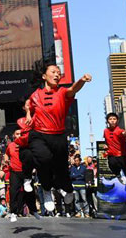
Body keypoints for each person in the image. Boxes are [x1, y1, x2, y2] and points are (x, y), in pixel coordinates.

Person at [19, 64, 92, 213]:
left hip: (58, 136)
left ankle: (67, 190)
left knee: (61, 169)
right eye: (53, 72)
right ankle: (46, 191)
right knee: (43, 160)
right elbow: (29, 107)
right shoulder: (35, 95)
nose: (57, 74)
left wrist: (82, 80)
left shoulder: (63, 92)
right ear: (44, 76)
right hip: (39, 134)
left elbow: (73, 89)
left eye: (59, 73)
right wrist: (28, 115)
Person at [5, 129, 38, 222]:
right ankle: (13, 213)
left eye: (21, 134)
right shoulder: (10, 146)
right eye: (17, 134)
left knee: (30, 192)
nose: (19, 135)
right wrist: (7, 160)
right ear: (14, 135)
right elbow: (6, 154)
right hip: (14, 171)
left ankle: (33, 210)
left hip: (25, 171)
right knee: (13, 192)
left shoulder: (27, 145)